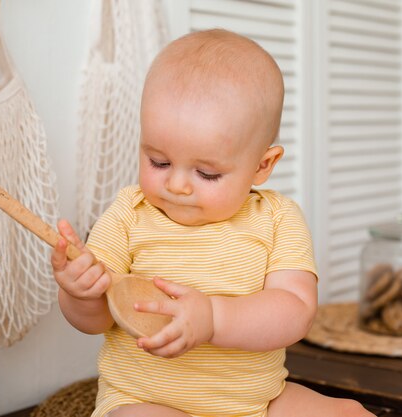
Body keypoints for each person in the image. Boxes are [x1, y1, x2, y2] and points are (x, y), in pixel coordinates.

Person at [51, 29, 374, 417]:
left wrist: (214, 318)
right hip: (146, 402)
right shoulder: (128, 214)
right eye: (159, 161)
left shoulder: (277, 219)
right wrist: (81, 293)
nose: (176, 184)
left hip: (258, 404)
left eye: (206, 172)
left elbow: (295, 309)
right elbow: (99, 317)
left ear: (262, 165)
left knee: (350, 412)